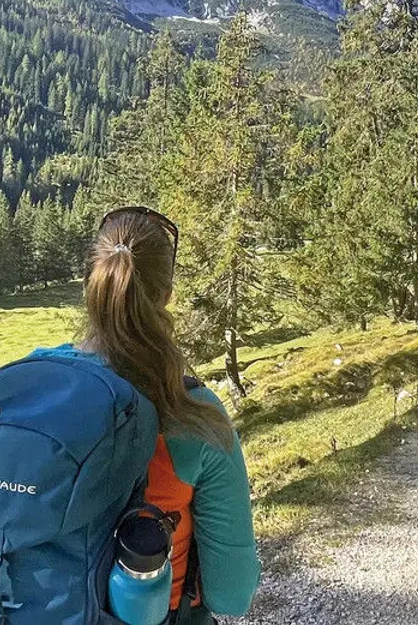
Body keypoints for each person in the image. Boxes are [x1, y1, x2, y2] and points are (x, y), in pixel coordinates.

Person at [82, 206, 261, 623]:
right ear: (166, 296)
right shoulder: (193, 415)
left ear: (91, 283)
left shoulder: (33, 388)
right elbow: (231, 595)